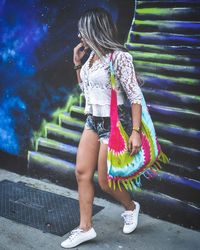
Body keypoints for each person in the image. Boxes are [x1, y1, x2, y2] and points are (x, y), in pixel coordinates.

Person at [61, 7, 143, 249]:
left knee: (106, 182)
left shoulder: (119, 57)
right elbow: (86, 91)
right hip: (93, 121)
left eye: (82, 32)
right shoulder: (91, 58)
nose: (80, 37)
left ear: (94, 30)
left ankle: (131, 207)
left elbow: (134, 95)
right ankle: (85, 228)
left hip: (114, 124)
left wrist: (135, 132)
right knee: (82, 173)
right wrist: (77, 64)